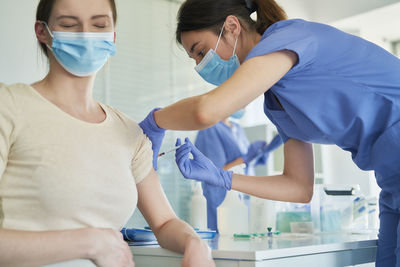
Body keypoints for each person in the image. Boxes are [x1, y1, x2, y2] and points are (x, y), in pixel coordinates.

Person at [138, 0, 400, 266]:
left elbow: (206, 111)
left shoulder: (289, 39)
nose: (199, 66)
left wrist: (155, 122)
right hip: (391, 182)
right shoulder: (277, 102)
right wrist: (223, 177)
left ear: (232, 26)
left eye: (201, 51)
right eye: (194, 59)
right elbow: (298, 187)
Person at [0, 0, 215, 266]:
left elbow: (165, 222)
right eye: (69, 24)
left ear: (113, 37)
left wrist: (195, 243)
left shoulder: (127, 132)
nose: (86, 35)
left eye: (99, 25)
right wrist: (89, 243)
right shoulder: (9, 106)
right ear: (42, 32)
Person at [194, 110, 282, 231]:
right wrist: (245, 158)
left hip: (243, 195)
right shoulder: (209, 129)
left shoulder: (238, 128)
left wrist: (259, 156)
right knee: (224, 238)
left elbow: (242, 166)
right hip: (222, 199)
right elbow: (213, 172)